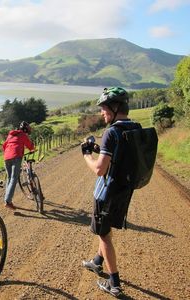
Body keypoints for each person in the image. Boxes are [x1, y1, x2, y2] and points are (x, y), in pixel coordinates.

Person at [81, 87, 141, 297]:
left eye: (104, 108)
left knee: (104, 235)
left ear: (115, 108)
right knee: (105, 229)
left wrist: (87, 155)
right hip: (124, 190)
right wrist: (101, 151)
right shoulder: (134, 128)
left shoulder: (111, 132)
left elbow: (99, 170)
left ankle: (114, 283)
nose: (102, 113)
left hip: (106, 193)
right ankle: (97, 262)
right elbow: (120, 156)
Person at [2, 121, 35, 210]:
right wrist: (32, 147)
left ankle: (7, 200)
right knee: (14, 178)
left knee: (9, 178)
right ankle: (8, 201)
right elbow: (30, 146)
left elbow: (4, 146)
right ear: (26, 130)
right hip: (16, 156)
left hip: (6, 157)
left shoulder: (11, 135)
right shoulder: (23, 135)